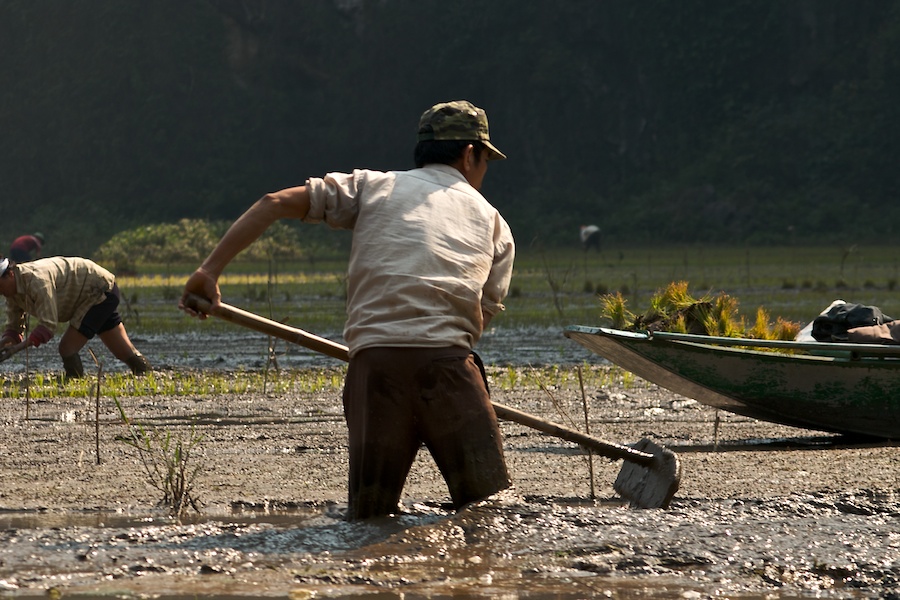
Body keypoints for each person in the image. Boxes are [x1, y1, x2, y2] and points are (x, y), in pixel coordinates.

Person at [180, 100, 515, 520]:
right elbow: (478, 318)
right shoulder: (494, 222)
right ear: (470, 154)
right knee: (490, 514)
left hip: (373, 369)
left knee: (369, 518)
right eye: (485, 160)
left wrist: (208, 272)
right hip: (448, 367)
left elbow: (272, 202)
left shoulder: (374, 187)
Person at [0, 256, 151, 378]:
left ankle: (74, 380)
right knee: (124, 352)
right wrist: (5, 344)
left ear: (10, 274)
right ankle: (147, 373)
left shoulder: (36, 281)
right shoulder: (11, 292)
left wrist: (16, 349)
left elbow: (48, 326)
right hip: (86, 296)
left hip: (97, 290)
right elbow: (14, 329)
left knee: (67, 348)